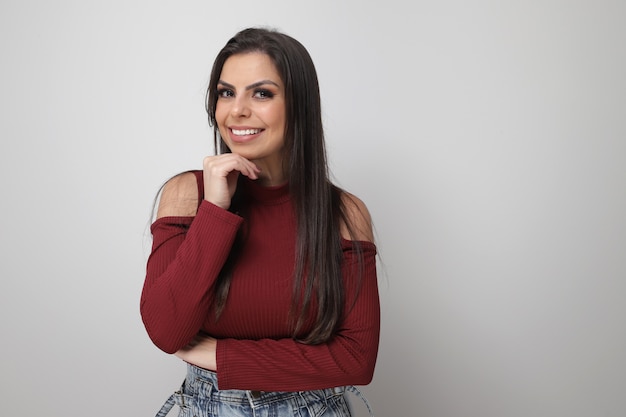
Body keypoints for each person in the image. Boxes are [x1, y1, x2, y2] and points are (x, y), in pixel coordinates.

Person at [140, 27, 380, 417]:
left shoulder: (342, 214)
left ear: (299, 105)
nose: (237, 111)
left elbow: (356, 359)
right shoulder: (188, 195)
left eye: (262, 93)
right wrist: (216, 210)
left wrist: (219, 353)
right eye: (226, 92)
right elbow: (166, 330)